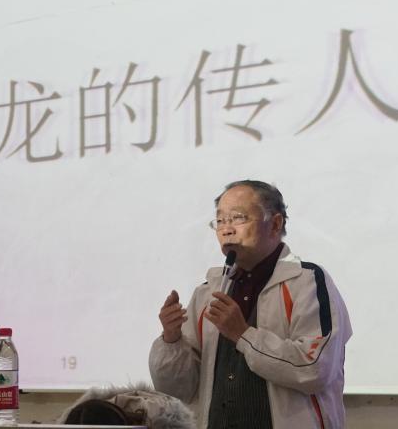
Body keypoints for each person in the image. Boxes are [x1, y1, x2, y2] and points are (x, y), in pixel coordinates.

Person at [149, 180, 351, 429]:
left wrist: (243, 335)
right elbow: (178, 390)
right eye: (220, 220)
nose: (226, 229)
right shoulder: (207, 292)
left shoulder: (307, 281)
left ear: (275, 224)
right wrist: (171, 340)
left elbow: (315, 369)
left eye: (238, 218)